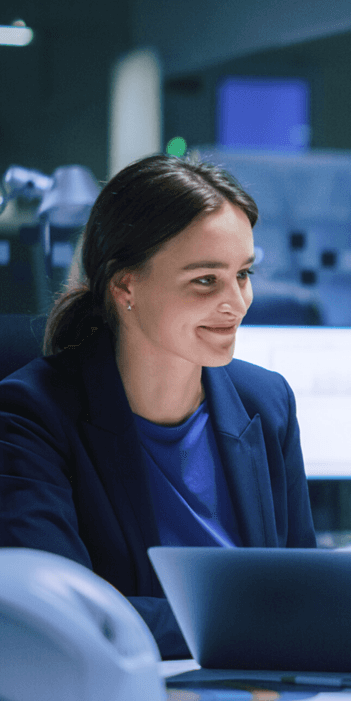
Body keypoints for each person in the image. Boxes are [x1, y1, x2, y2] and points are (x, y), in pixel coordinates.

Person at [0, 154, 316, 658]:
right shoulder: (31, 415)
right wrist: (256, 623)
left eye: (244, 274)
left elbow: (306, 585)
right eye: (206, 280)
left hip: (268, 694)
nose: (236, 303)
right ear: (126, 285)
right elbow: (57, 613)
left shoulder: (267, 400)